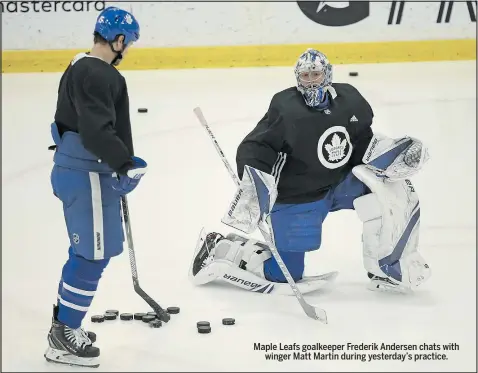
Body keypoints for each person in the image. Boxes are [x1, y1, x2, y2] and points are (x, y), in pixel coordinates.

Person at [189, 48, 431, 297]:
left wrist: (388, 153)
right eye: (305, 75)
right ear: (297, 78)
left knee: (386, 189)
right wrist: (256, 180)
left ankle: (383, 267)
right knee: (285, 275)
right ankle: (223, 248)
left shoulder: (350, 99)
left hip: (339, 184)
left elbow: (361, 141)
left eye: (316, 74)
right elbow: (257, 146)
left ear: (327, 74)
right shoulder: (286, 108)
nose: (311, 80)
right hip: (298, 196)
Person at [44, 7, 146, 368]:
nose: (128, 49)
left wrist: (120, 162)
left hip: (82, 169)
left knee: (89, 252)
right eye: (128, 42)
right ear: (118, 40)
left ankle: (65, 323)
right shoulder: (98, 73)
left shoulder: (80, 64)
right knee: (92, 255)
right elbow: (96, 130)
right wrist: (124, 164)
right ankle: (63, 337)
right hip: (86, 172)